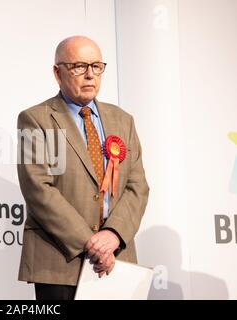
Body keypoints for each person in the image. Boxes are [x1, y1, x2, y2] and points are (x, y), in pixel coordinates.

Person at [16, 36, 149, 300]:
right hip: (59, 261)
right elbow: (38, 188)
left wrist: (113, 234)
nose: (89, 75)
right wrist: (91, 243)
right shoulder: (34, 119)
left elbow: (137, 186)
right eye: (78, 66)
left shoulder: (123, 120)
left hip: (117, 259)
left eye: (96, 66)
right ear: (58, 72)